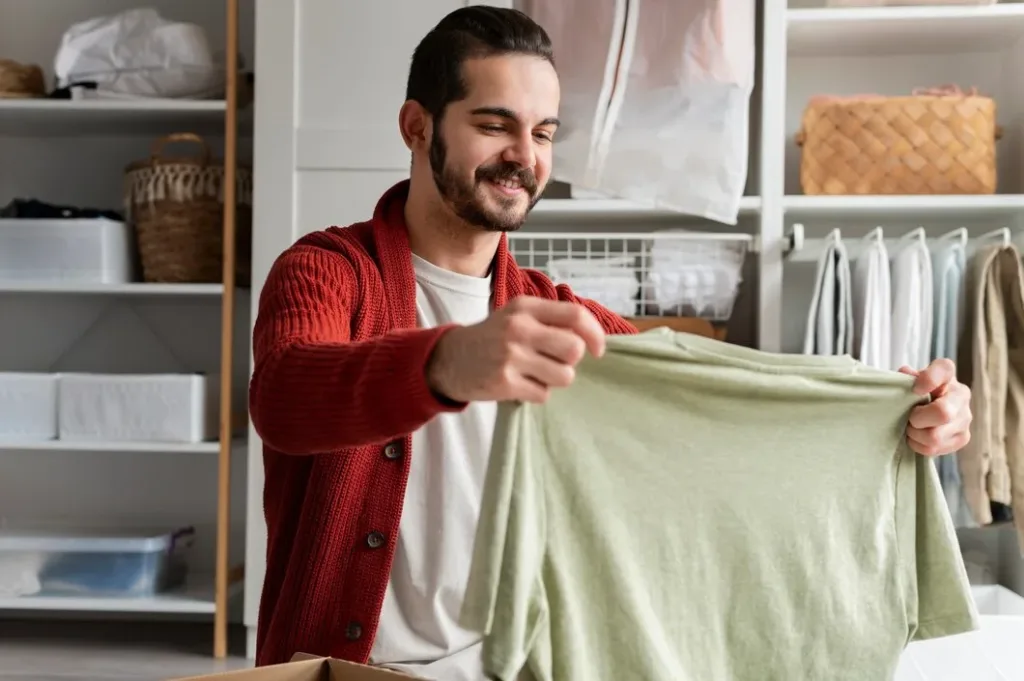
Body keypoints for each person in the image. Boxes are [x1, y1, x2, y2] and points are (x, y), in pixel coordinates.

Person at [248, 5, 973, 677]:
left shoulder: (555, 311)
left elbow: (715, 403)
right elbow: (285, 397)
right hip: (346, 669)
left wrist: (895, 411)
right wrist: (445, 361)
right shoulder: (325, 272)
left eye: (542, 133)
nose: (522, 156)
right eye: (494, 124)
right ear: (416, 125)